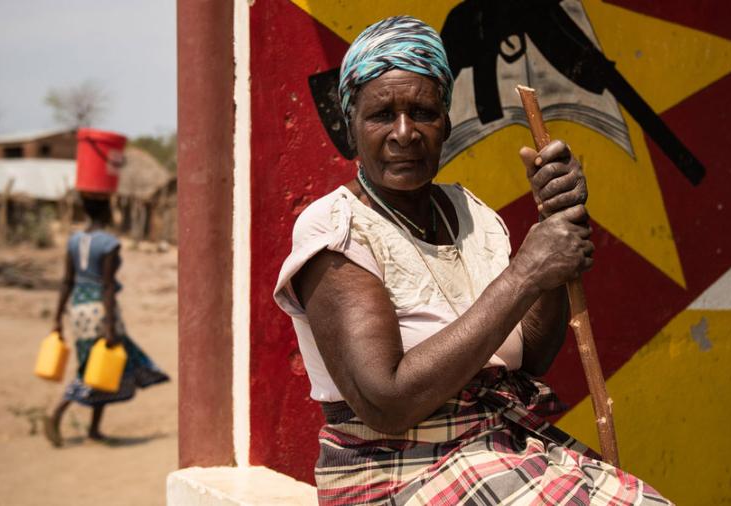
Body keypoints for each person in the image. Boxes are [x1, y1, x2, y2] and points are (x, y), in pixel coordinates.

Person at [274, 16, 671, 505]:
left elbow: (530, 358)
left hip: (498, 448)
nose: (404, 133)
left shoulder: (471, 214)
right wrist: (525, 273)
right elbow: (387, 402)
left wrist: (556, 230)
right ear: (352, 127)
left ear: (446, 121)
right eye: (382, 115)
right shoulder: (335, 228)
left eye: (423, 112)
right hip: (398, 473)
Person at [44, 196, 169, 446]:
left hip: (78, 309)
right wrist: (110, 326)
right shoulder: (109, 244)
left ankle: (94, 430)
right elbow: (108, 286)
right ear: (107, 212)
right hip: (100, 310)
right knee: (97, 366)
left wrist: (57, 318)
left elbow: (67, 281)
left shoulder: (74, 240)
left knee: (100, 366)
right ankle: (58, 410)